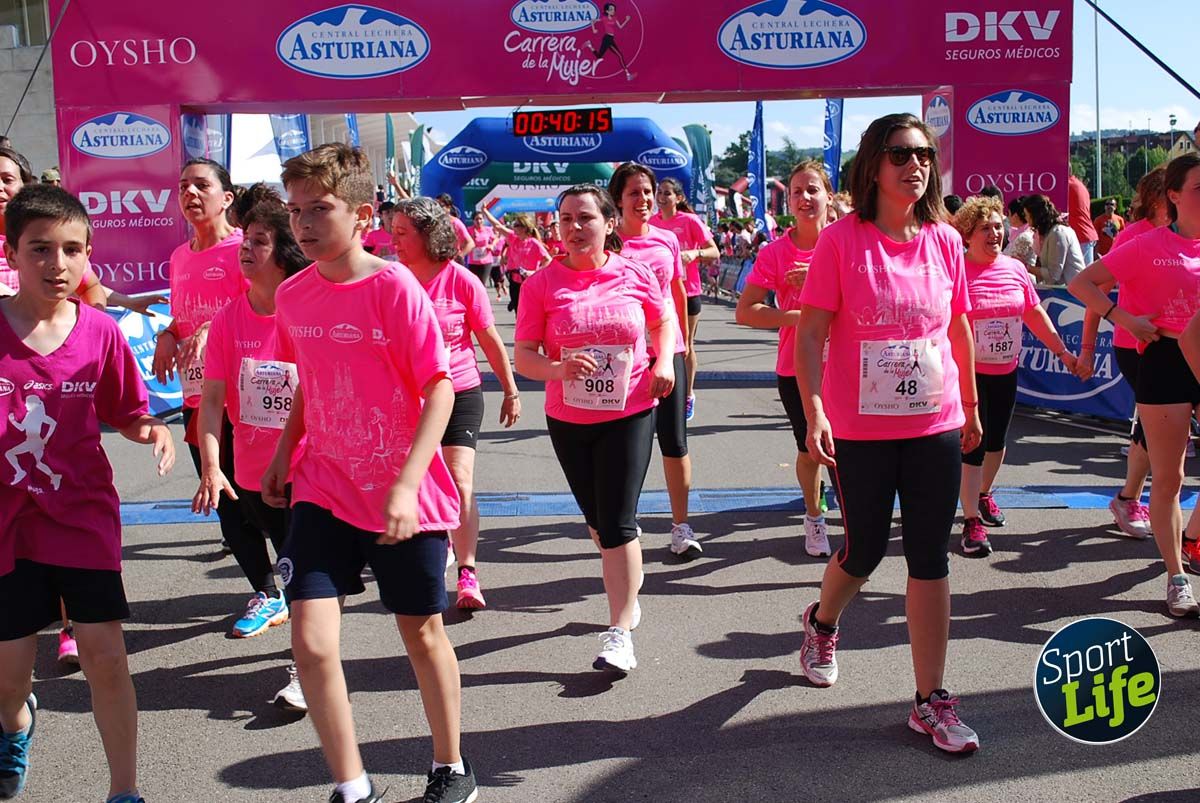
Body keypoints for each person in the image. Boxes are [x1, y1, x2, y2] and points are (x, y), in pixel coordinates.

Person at [264, 143, 477, 802]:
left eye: (318, 209)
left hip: (400, 493)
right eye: (294, 211)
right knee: (312, 641)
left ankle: (451, 766)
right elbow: (309, 383)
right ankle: (353, 785)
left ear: (362, 216)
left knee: (420, 631)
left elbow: (439, 387)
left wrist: (409, 483)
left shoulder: (394, 286)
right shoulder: (294, 294)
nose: (302, 224)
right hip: (323, 485)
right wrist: (281, 455)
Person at [794, 113, 982, 753]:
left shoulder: (945, 241)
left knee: (930, 556)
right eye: (901, 152)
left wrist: (973, 406)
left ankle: (931, 699)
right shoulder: (841, 241)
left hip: (936, 419)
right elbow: (813, 333)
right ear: (873, 163)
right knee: (866, 551)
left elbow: (959, 330)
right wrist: (815, 408)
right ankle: (822, 621)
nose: (917, 164)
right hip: (862, 428)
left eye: (925, 153)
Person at [0, 184, 175, 803]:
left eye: (73, 250)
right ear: (12, 252)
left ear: (89, 256)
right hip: (8, 527)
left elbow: (127, 412)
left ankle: (124, 791)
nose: (58, 264)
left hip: (80, 518)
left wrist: (152, 429)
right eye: (41, 249)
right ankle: (15, 725)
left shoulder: (101, 332)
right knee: (9, 677)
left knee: (105, 654)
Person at [514, 184, 675, 674]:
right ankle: (626, 582)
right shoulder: (541, 284)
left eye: (585, 218)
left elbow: (662, 320)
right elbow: (523, 356)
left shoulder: (635, 272)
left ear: (609, 223)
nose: (574, 228)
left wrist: (664, 360)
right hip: (569, 418)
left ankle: (619, 631)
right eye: (565, 219)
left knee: (617, 522)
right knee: (599, 523)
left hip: (629, 411)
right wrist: (558, 371)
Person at [191, 191, 311, 711]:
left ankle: (305, 671)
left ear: (282, 251)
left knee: (304, 572)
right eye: (244, 240)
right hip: (254, 470)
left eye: (259, 242)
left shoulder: (308, 307)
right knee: (294, 569)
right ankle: (308, 649)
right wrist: (214, 467)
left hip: (312, 466)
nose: (246, 249)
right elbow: (212, 400)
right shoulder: (227, 320)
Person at [1069, 152, 1200, 618]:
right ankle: (1177, 576)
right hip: (1164, 360)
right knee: (1169, 477)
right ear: (1174, 196)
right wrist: (1124, 318)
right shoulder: (1147, 244)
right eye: (1199, 189)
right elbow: (1082, 283)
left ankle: (1191, 536)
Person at [392, 197, 522, 609]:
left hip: (460, 390)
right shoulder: (391, 279)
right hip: (408, 398)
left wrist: (510, 389)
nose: (392, 240)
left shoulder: (462, 281)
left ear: (429, 236)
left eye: (401, 233)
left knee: (460, 478)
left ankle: (468, 571)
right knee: (417, 481)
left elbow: (488, 340)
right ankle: (431, 548)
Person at [953, 196, 1077, 555]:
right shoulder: (958, 270)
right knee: (972, 445)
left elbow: (1034, 313)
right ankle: (971, 522)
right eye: (985, 228)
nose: (994, 233)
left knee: (997, 442)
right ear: (967, 234)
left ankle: (983, 494)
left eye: (997, 226)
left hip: (1005, 370)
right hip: (969, 372)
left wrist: (1062, 352)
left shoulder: (1015, 269)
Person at [152, 158, 258, 559]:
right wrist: (167, 333)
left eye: (200, 186)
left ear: (226, 197)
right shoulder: (179, 256)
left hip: (245, 393)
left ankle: (294, 580)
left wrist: (214, 329)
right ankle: (267, 590)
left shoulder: (244, 248)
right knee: (221, 492)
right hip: (196, 392)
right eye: (182, 187)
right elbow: (184, 317)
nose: (189, 194)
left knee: (256, 496)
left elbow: (259, 308)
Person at [736, 160, 834, 558]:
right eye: (797, 192)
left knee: (854, 449)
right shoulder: (777, 253)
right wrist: (793, 316)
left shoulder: (849, 241)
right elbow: (746, 311)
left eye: (813, 189)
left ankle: (859, 517)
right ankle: (814, 518)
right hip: (798, 367)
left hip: (851, 365)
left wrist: (814, 279)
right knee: (812, 448)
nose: (805, 198)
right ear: (788, 202)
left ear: (830, 195)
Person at [609, 163, 701, 558]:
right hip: (627, 356)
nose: (644, 200)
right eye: (634, 193)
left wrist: (686, 343)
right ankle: (622, 522)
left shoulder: (666, 240)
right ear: (617, 201)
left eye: (647, 192)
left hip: (668, 352)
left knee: (675, 441)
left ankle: (681, 526)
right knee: (627, 444)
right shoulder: (608, 244)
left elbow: (676, 290)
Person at [1077, 165, 1170, 540]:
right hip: (1138, 348)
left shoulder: (1192, 234)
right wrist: (1088, 349)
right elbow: (1090, 290)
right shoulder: (1135, 235)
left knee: (1157, 430)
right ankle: (1131, 498)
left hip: (1186, 348)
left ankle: (1135, 500)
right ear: (1161, 197)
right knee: (1157, 429)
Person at [0, 147, 164, 316]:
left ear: (25, 185)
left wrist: (94, 325)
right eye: (40, 249)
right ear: (11, 254)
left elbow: (87, 285)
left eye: (7, 179)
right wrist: (18, 309)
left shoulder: (52, 231)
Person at [650, 177, 720, 422]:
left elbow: (714, 251)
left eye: (667, 193)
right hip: (658, 295)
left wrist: (694, 254)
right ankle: (659, 393)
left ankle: (687, 394)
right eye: (660, 193)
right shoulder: (651, 223)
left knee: (686, 345)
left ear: (678, 198)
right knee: (657, 345)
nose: (662, 197)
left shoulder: (689, 221)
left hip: (687, 292)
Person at [484, 208, 552, 313]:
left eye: (516, 225)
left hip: (530, 283)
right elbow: (498, 226)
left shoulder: (534, 243)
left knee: (530, 311)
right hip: (514, 282)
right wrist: (485, 212)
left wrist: (534, 272)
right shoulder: (513, 238)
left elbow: (548, 260)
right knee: (518, 312)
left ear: (524, 228)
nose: (513, 227)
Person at [1025, 194, 1085, 285]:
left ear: (1035, 215)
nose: (1026, 218)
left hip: (1071, 294)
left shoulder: (1058, 233)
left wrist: (1026, 267)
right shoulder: (1051, 232)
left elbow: (1053, 275)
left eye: (1026, 215)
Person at [587, 2, 634, 81]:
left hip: (610, 38)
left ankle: (589, 45)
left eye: (614, 9)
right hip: (607, 39)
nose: (613, 11)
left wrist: (626, 20)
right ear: (607, 11)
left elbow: (620, 27)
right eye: (611, 9)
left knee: (599, 56)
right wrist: (593, 29)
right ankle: (628, 74)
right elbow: (592, 21)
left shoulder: (615, 18)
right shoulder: (604, 18)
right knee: (620, 55)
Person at [1067, 173, 1099, 263]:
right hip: (1084, 235)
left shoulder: (1067, 185)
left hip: (1079, 236)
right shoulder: (1078, 184)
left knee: (1081, 275)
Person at [1002, 196, 1038, 275]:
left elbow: (1013, 263)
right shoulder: (1021, 233)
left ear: (1015, 216)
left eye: (1009, 214)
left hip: (1021, 278)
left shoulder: (1024, 237)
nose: (1007, 217)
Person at [435, 194, 473, 263]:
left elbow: (470, 243)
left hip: (453, 263)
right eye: (436, 206)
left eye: (441, 206)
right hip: (438, 263)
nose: (438, 209)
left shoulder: (456, 223)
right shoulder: (434, 222)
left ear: (448, 207)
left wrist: (459, 256)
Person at [464, 210, 497, 286]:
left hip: (486, 261)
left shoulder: (488, 229)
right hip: (473, 262)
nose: (479, 221)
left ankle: (482, 297)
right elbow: (465, 242)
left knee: (481, 283)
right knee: (474, 283)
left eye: (480, 219)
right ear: (473, 220)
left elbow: (496, 238)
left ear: (483, 220)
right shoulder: (469, 230)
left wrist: (492, 245)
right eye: (476, 219)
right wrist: (472, 237)